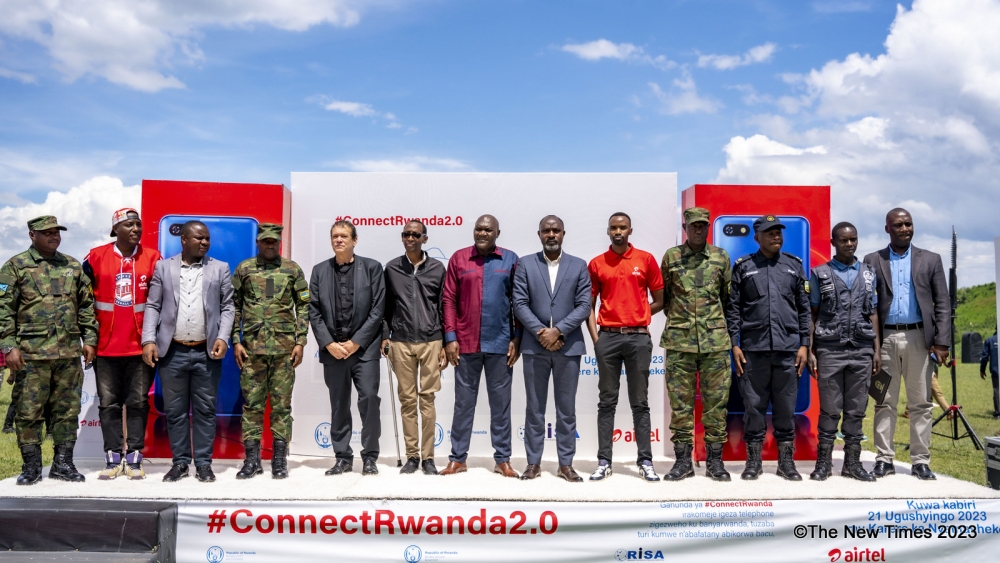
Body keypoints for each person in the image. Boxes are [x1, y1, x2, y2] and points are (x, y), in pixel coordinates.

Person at [0, 215, 98, 485]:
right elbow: (3, 310)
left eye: (57, 232)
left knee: (67, 411)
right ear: (32, 235)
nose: (54, 236)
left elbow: (87, 306)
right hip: (31, 355)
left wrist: (89, 339)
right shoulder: (15, 266)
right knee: (29, 412)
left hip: (68, 354)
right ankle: (31, 466)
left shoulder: (72, 265)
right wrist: (9, 347)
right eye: (47, 232)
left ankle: (62, 464)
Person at [141, 221, 235, 483]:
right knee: (175, 411)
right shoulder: (163, 267)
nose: (204, 242)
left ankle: (204, 463)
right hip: (172, 352)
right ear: (184, 239)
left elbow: (228, 307)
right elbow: (153, 306)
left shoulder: (220, 268)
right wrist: (148, 339)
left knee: (205, 410)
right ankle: (180, 463)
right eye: (199, 238)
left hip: (207, 353)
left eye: (207, 238)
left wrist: (223, 338)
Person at [863, 208, 949, 481]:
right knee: (883, 401)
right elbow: (867, 306)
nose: (904, 229)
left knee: (921, 403)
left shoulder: (931, 259)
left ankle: (920, 461)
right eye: (898, 225)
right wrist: (872, 345)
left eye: (908, 224)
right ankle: (884, 459)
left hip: (920, 340)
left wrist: (942, 342)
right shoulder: (873, 260)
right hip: (885, 339)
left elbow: (943, 304)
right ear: (887, 228)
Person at [725, 215, 811, 481]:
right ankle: (754, 463)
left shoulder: (794, 266)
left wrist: (805, 344)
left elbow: (804, 309)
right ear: (757, 237)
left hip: (787, 350)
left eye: (778, 232)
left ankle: (787, 464)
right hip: (752, 351)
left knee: (786, 409)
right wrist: (734, 345)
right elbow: (733, 310)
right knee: (754, 407)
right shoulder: (743, 267)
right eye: (769, 232)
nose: (776, 236)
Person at [439, 215, 522, 478]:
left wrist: (517, 337)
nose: (482, 233)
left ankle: (502, 459)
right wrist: (450, 338)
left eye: (488, 229)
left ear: (498, 232)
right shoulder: (459, 258)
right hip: (465, 343)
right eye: (478, 229)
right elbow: (449, 300)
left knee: (501, 404)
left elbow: (518, 302)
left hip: (500, 342)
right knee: (463, 404)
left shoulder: (510, 259)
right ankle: (458, 458)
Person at [84, 208, 162, 480]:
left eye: (138, 224)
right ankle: (112, 457)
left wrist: (152, 340)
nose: (136, 229)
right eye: (129, 225)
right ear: (115, 229)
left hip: (141, 347)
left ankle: (135, 456)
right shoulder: (94, 257)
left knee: (139, 402)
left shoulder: (153, 258)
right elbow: (82, 302)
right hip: (105, 348)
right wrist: (89, 340)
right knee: (109, 403)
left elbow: (161, 302)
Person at [513, 215, 592, 482]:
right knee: (534, 409)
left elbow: (584, 305)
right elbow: (520, 303)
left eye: (555, 230)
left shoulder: (579, 266)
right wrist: (540, 332)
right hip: (535, 347)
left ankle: (565, 464)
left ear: (563, 233)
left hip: (568, 347)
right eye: (546, 230)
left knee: (566, 410)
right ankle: (533, 463)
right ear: (539, 234)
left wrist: (558, 331)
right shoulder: (525, 264)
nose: (551, 234)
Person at [586, 212, 664, 482]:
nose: (618, 231)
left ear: (630, 230)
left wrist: (639, 315)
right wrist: (596, 338)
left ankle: (645, 461)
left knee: (639, 402)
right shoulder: (597, 263)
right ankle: (604, 461)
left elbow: (660, 299)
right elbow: (589, 304)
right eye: (613, 228)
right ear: (608, 231)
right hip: (607, 338)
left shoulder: (645, 259)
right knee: (607, 402)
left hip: (638, 338)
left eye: (622, 227)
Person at [659, 207, 733, 482]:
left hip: (715, 344)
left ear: (708, 227)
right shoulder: (672, 257)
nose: (699, 230)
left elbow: (727, 298)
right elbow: (665, 298)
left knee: (716, 405)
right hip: (680, 342)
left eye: (703, 226)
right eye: (694, 226)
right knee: (681, 406)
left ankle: (714, 462)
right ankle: (683, 462)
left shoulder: (720, 257)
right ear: (685, 227)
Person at [231, 223, 309, 480]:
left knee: (281, 407)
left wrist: (300, 342)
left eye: (273, 242)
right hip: (252, 350)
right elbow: (235, 307)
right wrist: (236, 340)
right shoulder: (244, 269)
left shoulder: (291, 269)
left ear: (279, 242)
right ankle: (252, 460)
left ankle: (279, 460)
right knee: (252, 406)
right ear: (258, 242)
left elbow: (304, 307)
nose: (269, 245)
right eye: (265, 241)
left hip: (284, 351)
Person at [309, 220, 386, 476]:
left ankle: (370, 457)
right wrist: (329, 343)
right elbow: (314, 311)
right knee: (339, 404)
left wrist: (356, 342)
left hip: (364, 351)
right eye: (334, 236)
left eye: (343, 236)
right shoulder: (319, 271)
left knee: (370, 401)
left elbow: (378, 310)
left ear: (355, 240)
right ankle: (342, 457)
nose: (338, 240)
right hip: (333, 352)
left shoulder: (373, 268)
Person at [807, 222, 879, 482]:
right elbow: (812, 314)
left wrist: (876, 350)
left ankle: (852, 464)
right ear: (833, 242)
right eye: (844, 240)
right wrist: (811, 348)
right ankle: (823, 464)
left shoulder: (869, 273)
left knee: (856, 410)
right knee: (829, 409)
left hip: (861, 350)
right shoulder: (820, 273)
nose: (849, 244)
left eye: (853, 239)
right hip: (829, 350)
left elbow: (873, 314)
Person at [381, 220, 447, 476]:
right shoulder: (392, 268)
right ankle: (412, 456)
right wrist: (385, 336)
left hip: (431, 341)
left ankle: (428, 458)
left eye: (415, 234)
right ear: (402, 237)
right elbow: (384, 307)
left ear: (424, 239)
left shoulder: (437, 268)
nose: (411, 238)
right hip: (401, 341)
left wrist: (443, 340)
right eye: (406, 234)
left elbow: (444, 307)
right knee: (407, 402)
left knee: (427, 401)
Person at [982, 332, 999, 419]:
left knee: (997, 389)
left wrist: (982, 369)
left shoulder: (990, 340)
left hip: (996, 370)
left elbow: (985, 357)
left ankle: (998, 413)